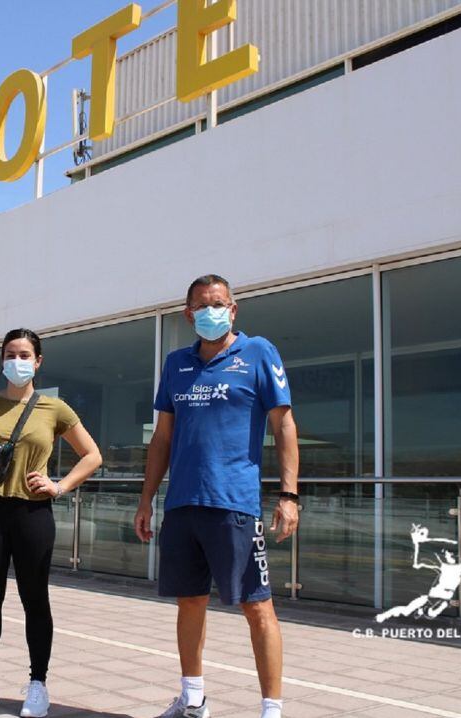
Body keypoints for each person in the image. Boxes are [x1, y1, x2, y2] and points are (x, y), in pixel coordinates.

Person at [134, 275, 300, 718]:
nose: (211, 311)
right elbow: (162, 438)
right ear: (188, 313)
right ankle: (193, 700)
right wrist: (147, 498)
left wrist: (288, 494)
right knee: (190, 602)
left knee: (257, 606)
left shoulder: (259, 352)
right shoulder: (176, 364)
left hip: (235, 504)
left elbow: (284, 425)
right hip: (183, 503)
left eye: (219, 303)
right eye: (202, 305)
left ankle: (271, 708)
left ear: (233, 309)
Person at [0, 328, 102, 718]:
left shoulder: (55, 409)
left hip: (33, 514)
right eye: (11, 354)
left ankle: (37, 685)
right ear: (1, 360)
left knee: (35, 601)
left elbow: (93, 455)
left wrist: (59, 485)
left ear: (38, 361)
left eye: (25, 354)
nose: (18, 361)